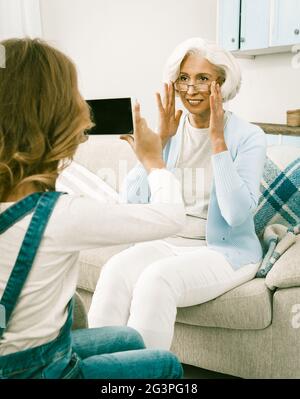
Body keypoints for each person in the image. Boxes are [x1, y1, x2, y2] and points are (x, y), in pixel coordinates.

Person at [0, 38, 186, 379]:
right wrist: (154, 160)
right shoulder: (62, 215)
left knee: (130, 337)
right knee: (166, 364)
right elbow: (171, 216)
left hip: (18, 355)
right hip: (42, 371)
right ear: (61, 117)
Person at [88, 37, 267, 350]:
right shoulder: (172, 130)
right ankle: (98, 368)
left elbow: (237, 214)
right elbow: (132, 200)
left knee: (156, 280)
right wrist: (161, 140)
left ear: (222, 84)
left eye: (203, 79)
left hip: (223, 252)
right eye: (183, 78)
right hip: (167, 243)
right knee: (115, 270)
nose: (191, 89)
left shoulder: (250, 136)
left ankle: (143, 375)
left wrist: (218, 142)